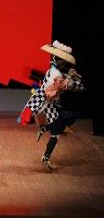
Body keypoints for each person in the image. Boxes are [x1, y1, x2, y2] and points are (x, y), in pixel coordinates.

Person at [19, 41, 85, 170]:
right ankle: (46, 156)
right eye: (63, 62)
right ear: (59, 61)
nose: (64, 64)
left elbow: (58, 85)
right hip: (47, 103)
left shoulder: (54, 70)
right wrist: (69, 80)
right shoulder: (56, 74)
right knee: (58, 130)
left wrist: (70, 78)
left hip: (48, 103)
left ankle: (45, 133)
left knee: (59, 126)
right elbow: (54, 89)